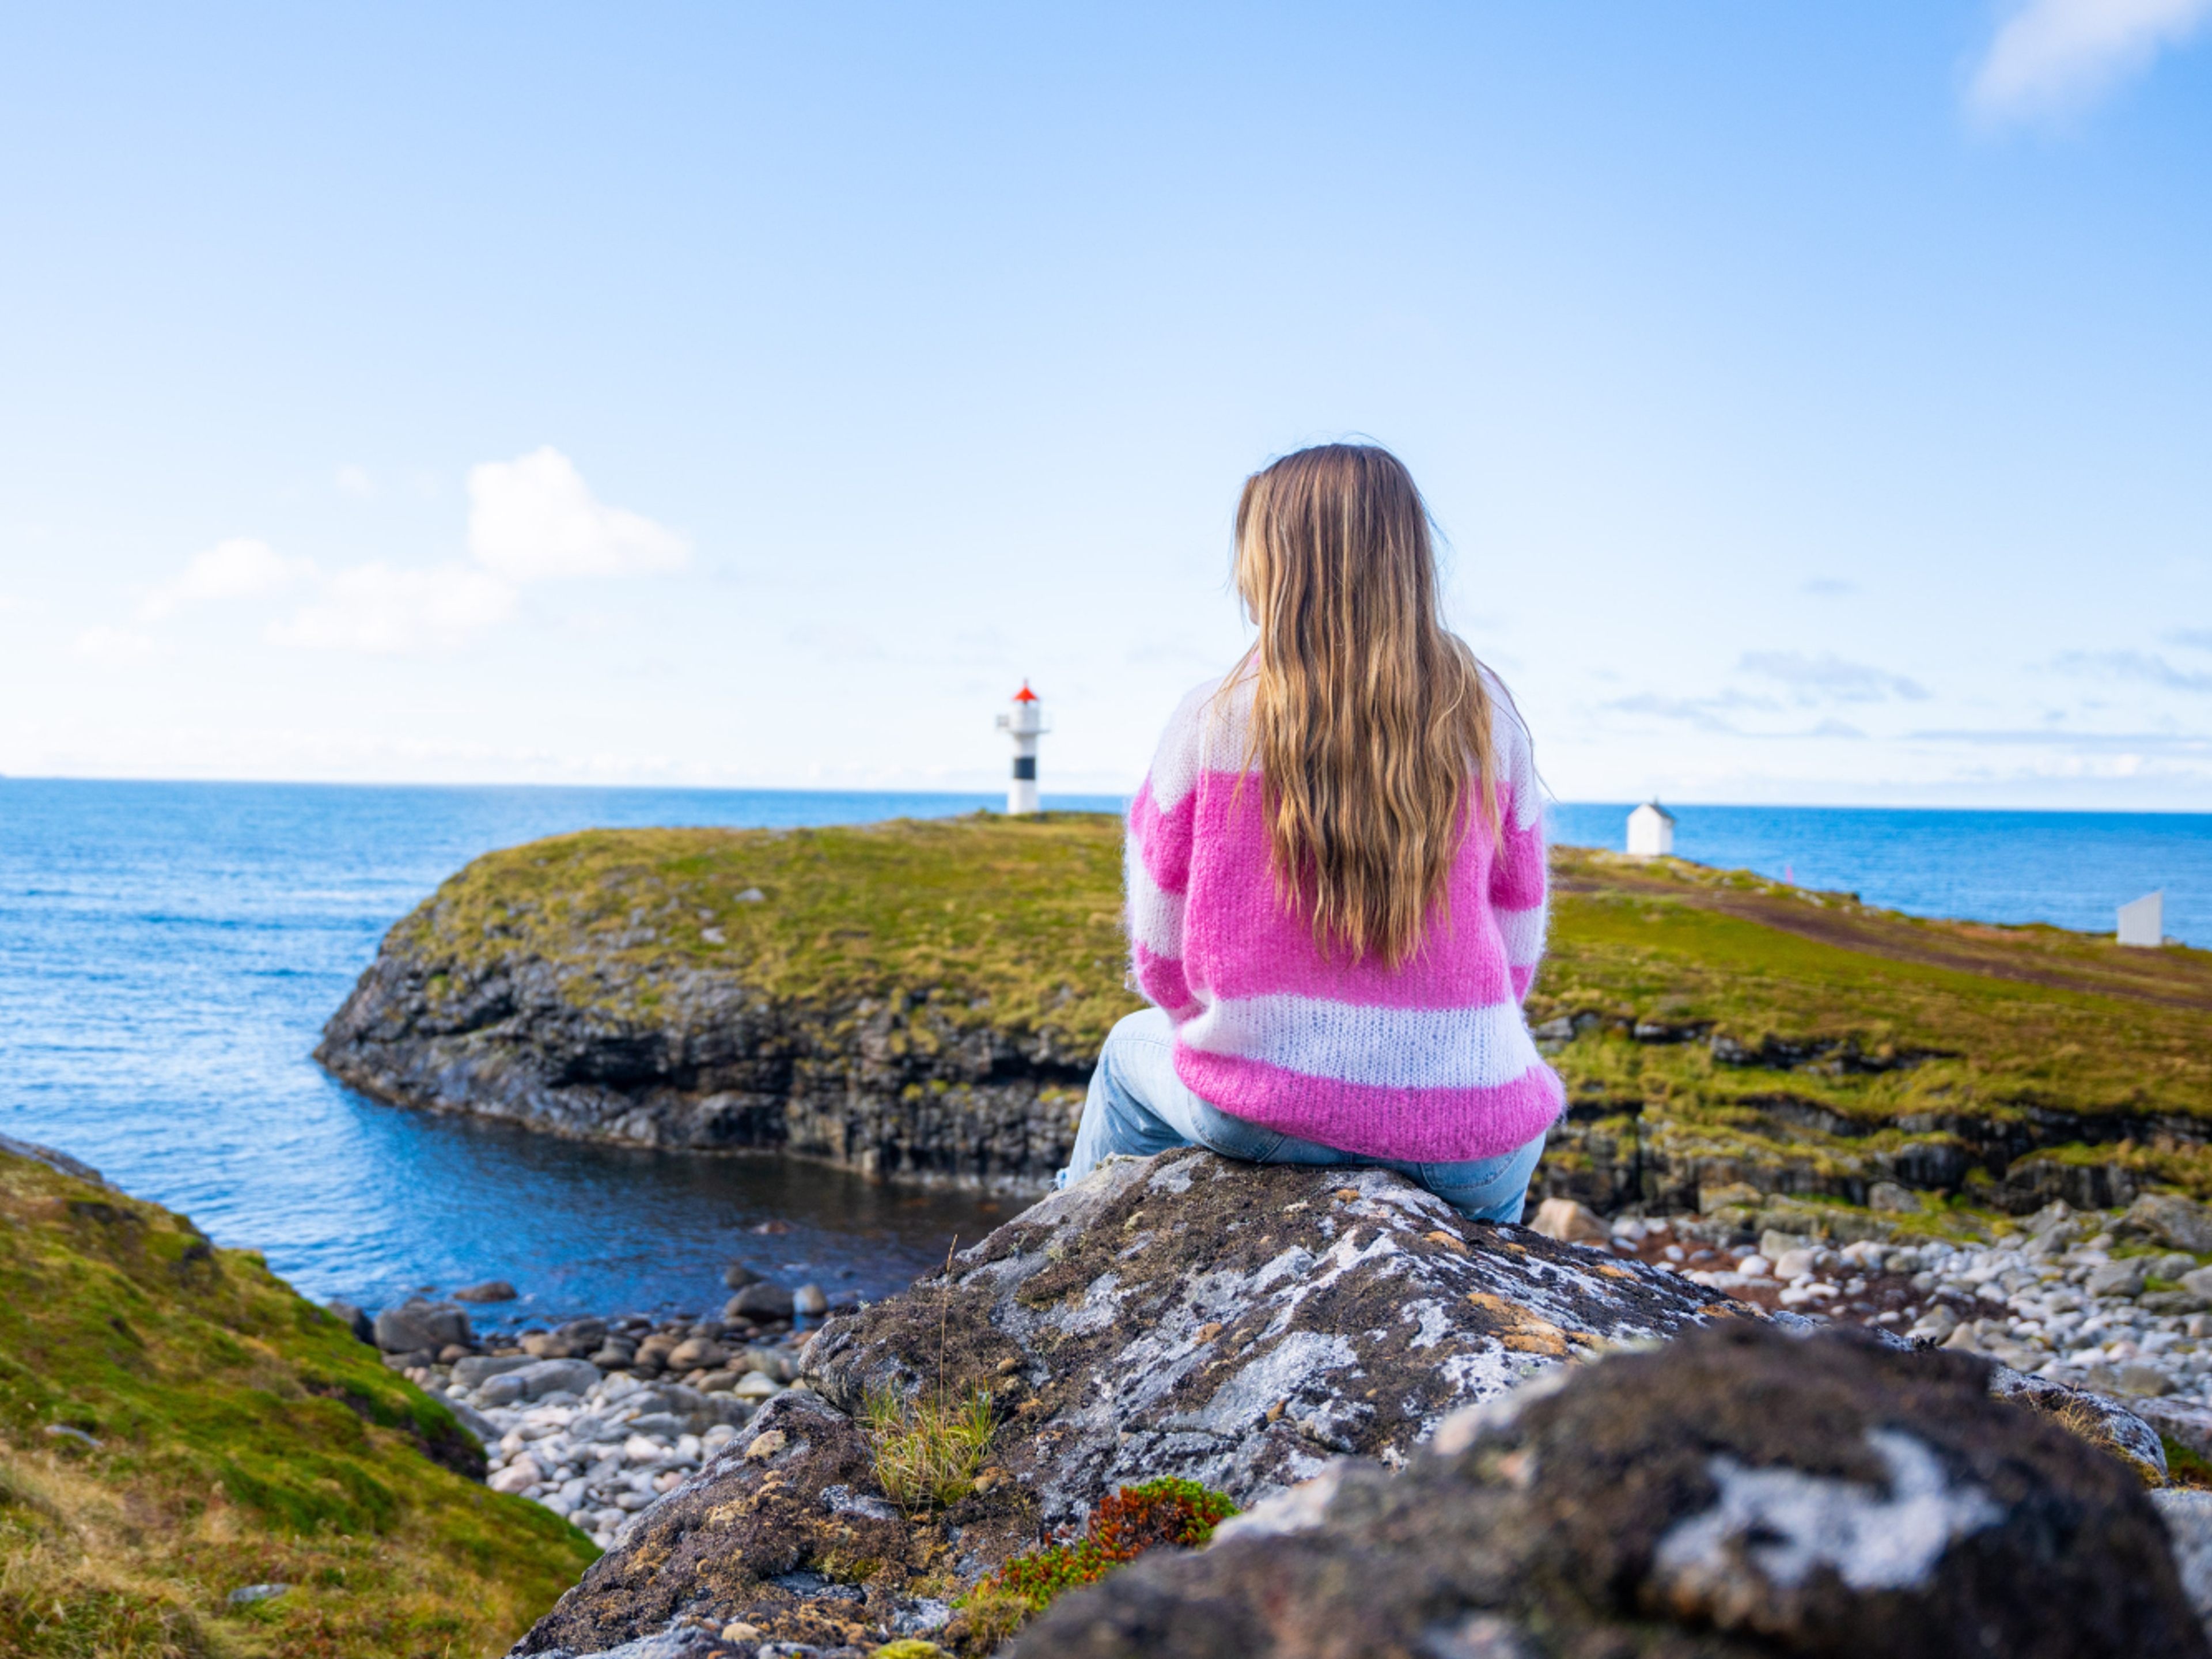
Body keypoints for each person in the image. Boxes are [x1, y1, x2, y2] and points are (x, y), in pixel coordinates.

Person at [1059, 442, 1559, 1222]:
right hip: (1473, 1146)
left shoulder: (1209, 718)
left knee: (1129, 1050)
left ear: (1277, 562)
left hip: (1265, 1118)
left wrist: (1264, 1054)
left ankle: (1062, 1248)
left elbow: (1161, 963)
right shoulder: (1489, 715)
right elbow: (1519, 953)